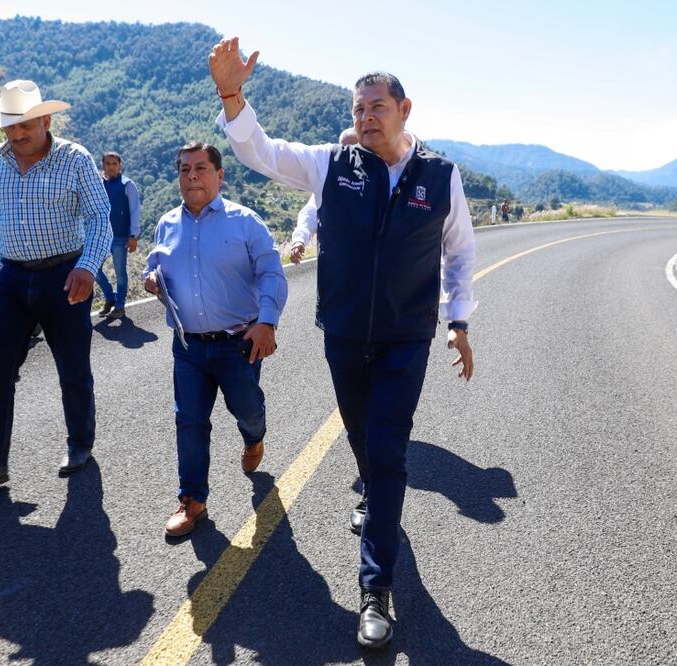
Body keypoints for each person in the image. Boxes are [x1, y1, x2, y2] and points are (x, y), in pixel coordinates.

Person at [210, 38, 477, 649]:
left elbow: (460, 253)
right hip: (346, 332)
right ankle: (378, 504)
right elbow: (261, 152)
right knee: (362, 438)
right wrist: (232, 95)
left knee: (387, 452)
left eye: (377, 107)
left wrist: (458, 321)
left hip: (406, 338)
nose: (365, 118)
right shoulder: (333, 164)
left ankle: (375, 589)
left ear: (405, 109)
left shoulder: (440, 177)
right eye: (358, 109)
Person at [0, 80, 112, 495]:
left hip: (64, 277)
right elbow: (2, 214)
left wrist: (87, 268)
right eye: (9, 127)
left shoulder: (74, 160)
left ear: (46, 119)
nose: (17, 135)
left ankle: (80, 444)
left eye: (25, 125)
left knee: (73, 370)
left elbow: (101, 218)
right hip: (11, 276)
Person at [143, 142, 287, 537]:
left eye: (201, 168)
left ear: (219, 176)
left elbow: (271, 274)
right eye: (184, 169)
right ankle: (192, 501)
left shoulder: (245, 222)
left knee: (247, 410)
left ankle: (254, 437)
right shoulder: (167, 223)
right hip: (188, 347)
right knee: (189, 420)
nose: (192, 176)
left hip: (237, 344)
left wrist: (268, 322)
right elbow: (153, 265)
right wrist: (151, 280)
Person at [289, 128, 358, 264]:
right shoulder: (331, 180)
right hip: (335, 266)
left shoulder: (379, 176)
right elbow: (309, 214)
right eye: (344, 149)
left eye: (354, 149)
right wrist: (299, 239)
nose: (348, 154)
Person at [95, 151, 141, 319]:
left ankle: (120, 306)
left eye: (114, 164)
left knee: (120, 272)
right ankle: (110, 297)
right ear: (103, 166)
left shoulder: (128, 184)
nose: (111, 167)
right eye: (108, 163)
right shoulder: (98, 184)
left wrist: (134, 235)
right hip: (100, 236)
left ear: (120, 165)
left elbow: (135, 210)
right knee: (93, 269)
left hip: (121, 236)